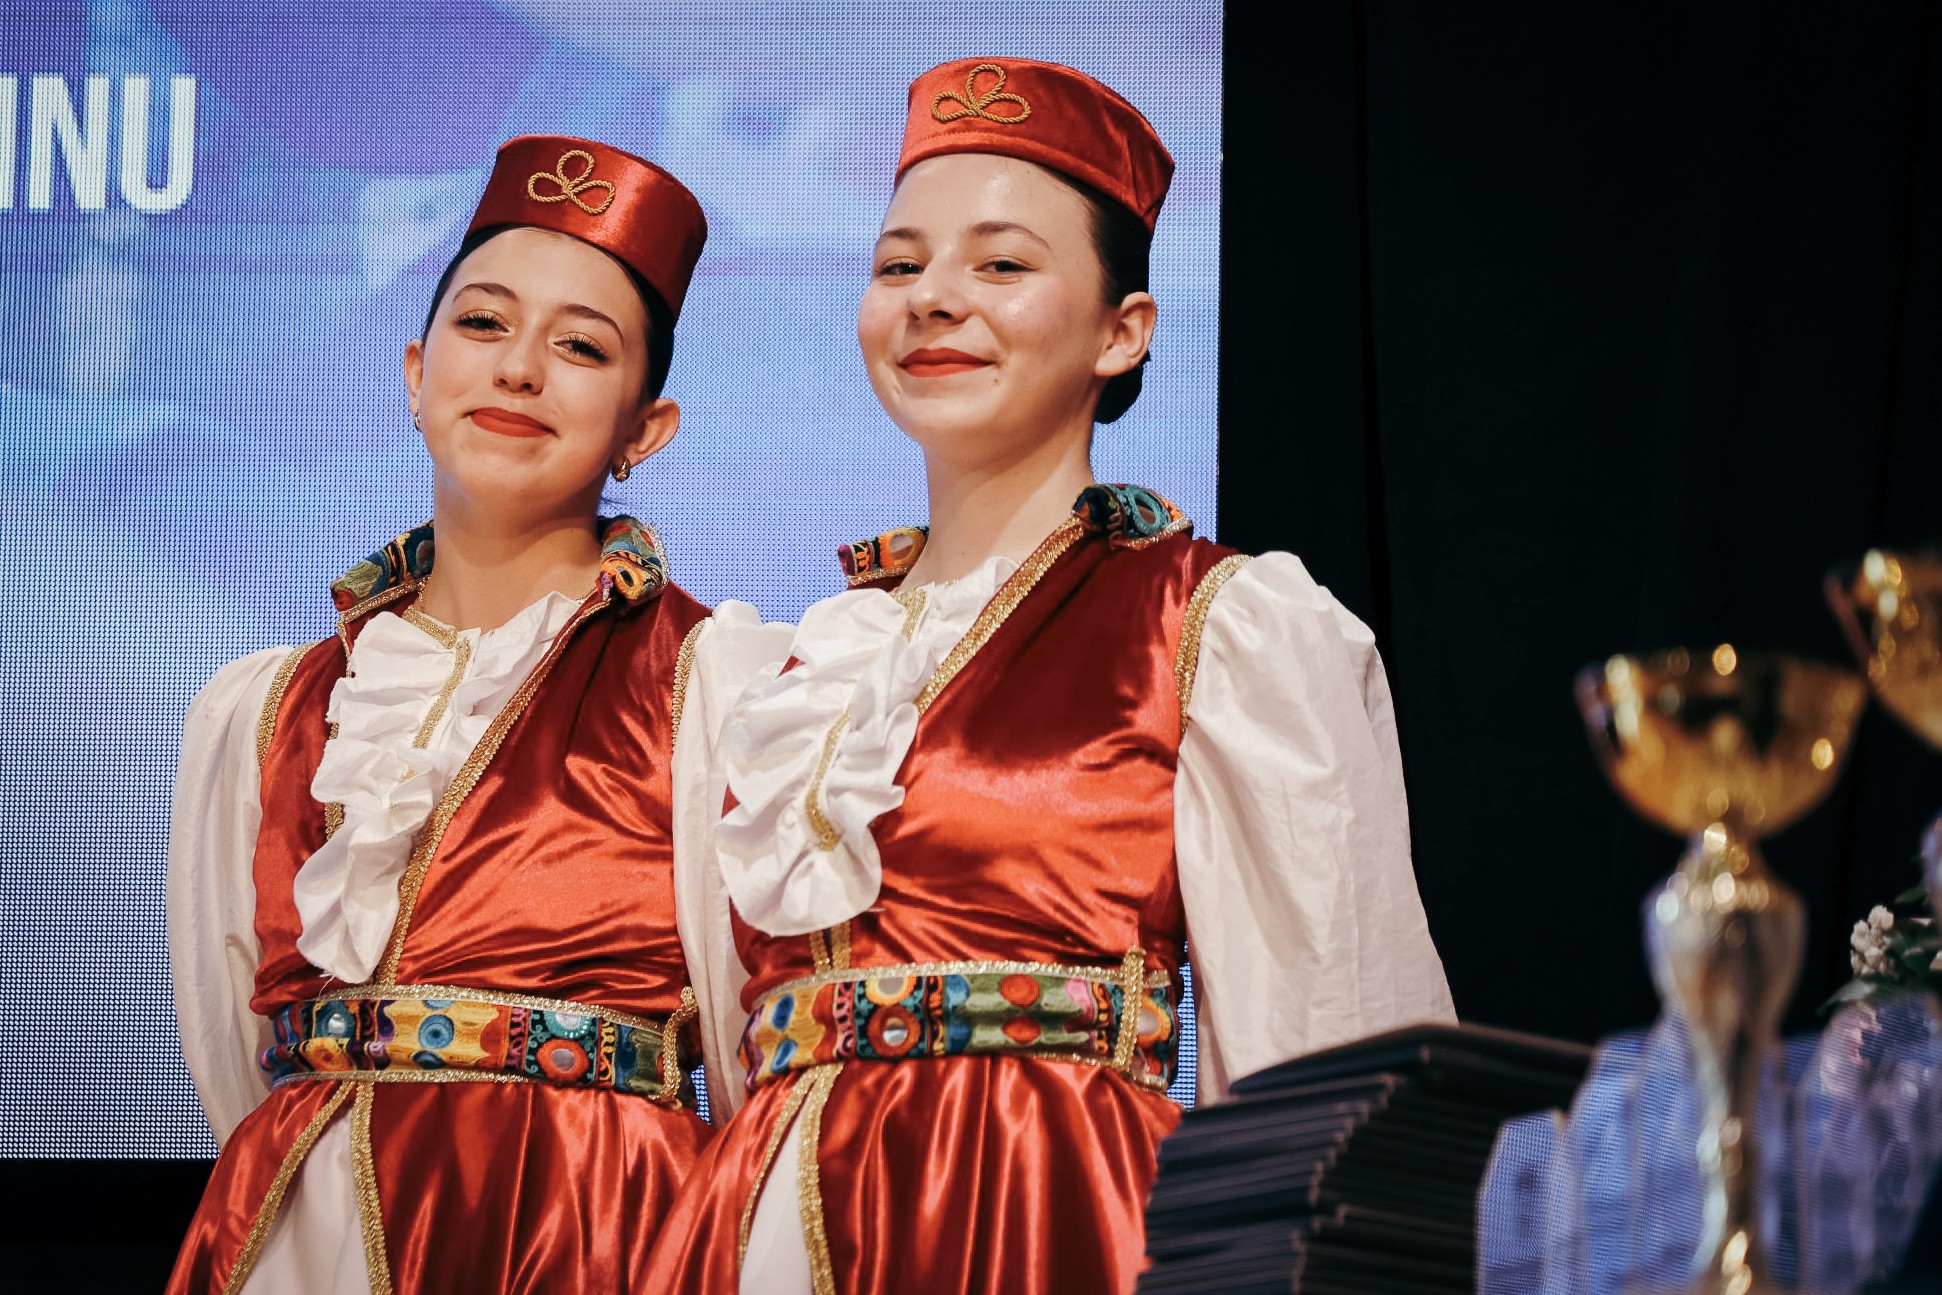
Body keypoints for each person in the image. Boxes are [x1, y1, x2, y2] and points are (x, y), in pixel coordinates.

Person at [650, 58, 1456, 1295]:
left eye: (1001, 264)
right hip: (760, 1227)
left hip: (1045, 1208)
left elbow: (1329, 1037)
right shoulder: (799, 665)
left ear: (1121, 330)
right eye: (899, 265)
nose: (934, 299)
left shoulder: (1213, 620)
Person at [166, 134, 729, 1293]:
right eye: (483, 323)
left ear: (645, 427)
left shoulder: (712, 683)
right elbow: (234, 1061)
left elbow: (748, 1051)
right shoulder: (265, 707)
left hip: (594, 1233)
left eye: (580, 345)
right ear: (416, 372)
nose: (518, 368)